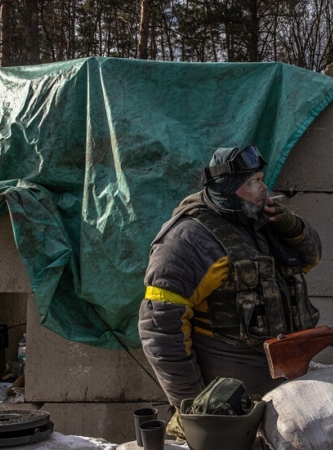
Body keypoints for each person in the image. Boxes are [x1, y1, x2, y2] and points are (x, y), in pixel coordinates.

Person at [138, 145, 322, 437]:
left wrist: (292, 226)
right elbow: (159, 329)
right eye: (254, 182)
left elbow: (311, 258)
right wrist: (195, 405)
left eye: (262, 178)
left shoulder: (260, 220)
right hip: (230, 408)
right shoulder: (190, 239)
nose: (264, 188)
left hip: (284, 393)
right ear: (231, 189)